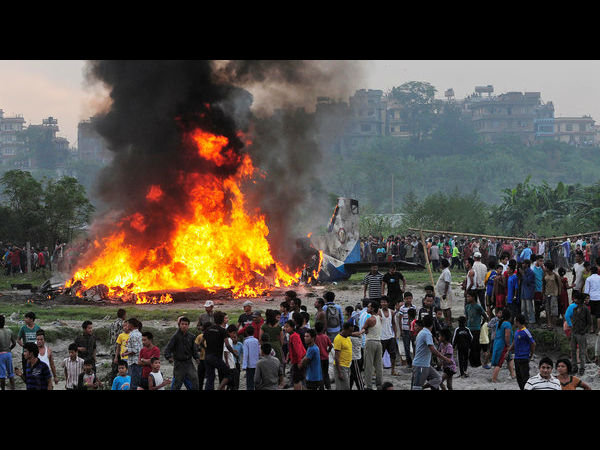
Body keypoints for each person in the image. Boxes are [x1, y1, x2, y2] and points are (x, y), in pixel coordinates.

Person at [411, 315, 452, 390]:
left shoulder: (423, 332)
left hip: (425, 364)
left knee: (438, 378)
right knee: (416, 387)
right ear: (432, 324)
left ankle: (423, 387)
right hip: (421, 365)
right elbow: (432, 349)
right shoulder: (426, 333)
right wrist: (445, 358)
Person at [164, 316, 200, 390]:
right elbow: (168, 348)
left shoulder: (191, 336)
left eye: (186, 324)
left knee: (195, 380)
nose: (184, 326)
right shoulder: (175, 337)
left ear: (188, 326)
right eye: (182, 324)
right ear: (179, 325)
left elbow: (194, 349)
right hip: (179, 363)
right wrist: (169, 357)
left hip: (189, 363)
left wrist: (196, 358)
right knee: (177, 383)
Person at [506, 313, 535, 390]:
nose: (514, 322)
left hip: (524, 357)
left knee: (525, 378)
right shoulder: (517, 330)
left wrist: (531, 354)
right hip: (517, 357)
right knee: (519, 378)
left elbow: (533, 343)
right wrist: (509, 350)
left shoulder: (525, 331)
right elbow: (514, 342)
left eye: (515, 321)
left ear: (518, 322)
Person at [359, 301, 384, 390]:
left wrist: (362, 332)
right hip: (378, 342)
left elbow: (363, 329)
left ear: (372, 309)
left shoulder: (370, 319)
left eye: (369, 307)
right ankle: (379, 384)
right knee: (378, 365)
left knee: (368, 365)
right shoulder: (379, 318)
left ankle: (368, 385)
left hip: (370, 342)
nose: (367, 308)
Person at [570, 291, 592, 375]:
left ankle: (582, 368)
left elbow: (589, 322)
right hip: (574, 332)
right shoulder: (575, 309)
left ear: (579, 300)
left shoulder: (586, 309)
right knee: (573, 351)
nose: (574, 300)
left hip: (581, 333)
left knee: (582, 351)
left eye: (576, 298)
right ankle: (574, 367)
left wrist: (584, 331)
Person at [465, 289, 488, 368]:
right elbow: (467, 317)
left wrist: (481, 324)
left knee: (476, 346)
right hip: (469, 329)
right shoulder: (467, 306)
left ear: (473, 297)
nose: (467, 298)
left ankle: (477, 362)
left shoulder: (478, 306)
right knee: (471, 346)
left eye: (468, 297)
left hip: (476, 329)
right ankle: (472, 362)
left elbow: (485, 316)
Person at [378, 296, 398, 375]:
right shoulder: (379, 312)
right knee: (380, 355)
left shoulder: (392, 312)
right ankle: (377, 371)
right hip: (381, 336)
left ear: (388, 303)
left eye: (384, 302)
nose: (383, 303)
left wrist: (395, 334)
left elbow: (393, 323)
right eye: (382, 302)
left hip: (390, 336)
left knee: (393, 354)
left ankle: (393, 370)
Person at [284, 319, 306, 390]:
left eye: (287, 327)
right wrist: (288, 356)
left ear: (293, 327)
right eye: (285, 327)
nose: (285, 329)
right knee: (300, 378)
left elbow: (298, 350)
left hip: (298, 360)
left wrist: (299, 361)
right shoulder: (293, 335)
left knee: (297, 379)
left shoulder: (294, 337)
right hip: (298, 359)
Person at [17, 311, 41, 376]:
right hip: (26, 354)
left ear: (31, 319)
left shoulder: (37, 328)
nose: (25, 319)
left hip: (35, 353)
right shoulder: (23, 328)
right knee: (26, 371)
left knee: (36, 371)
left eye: (26, 318)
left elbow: (40, 340)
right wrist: (24, 346)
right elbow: (18, 340)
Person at [121, 318, 142, 389]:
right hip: (138, 361)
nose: (126, 326)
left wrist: (125, 354)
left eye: (127, 324)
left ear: (131, 325)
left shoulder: (133, 335)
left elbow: (135, 350)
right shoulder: (139, 333)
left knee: (133, 384)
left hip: (134, 362)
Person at [108, 308, 126, 386]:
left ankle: (111, 383)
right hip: (120, 349)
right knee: (121, 367)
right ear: (124, 315)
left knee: (114, 367)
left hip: (112, 348)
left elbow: (109, 334)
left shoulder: (112, 323)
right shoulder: (123, 324)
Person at [333, 321, 353, 390]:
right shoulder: (338, 339)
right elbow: (336, 357)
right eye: (350, 331)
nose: (351, 333)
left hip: (347, 366)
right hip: (341, 366)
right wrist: (339, 372)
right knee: (345, 387)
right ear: (344, 329)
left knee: (342, 387)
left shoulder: (347, 337)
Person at [398, 291, 416, 367]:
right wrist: (401, 330)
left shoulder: (414, 307)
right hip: (405, 329)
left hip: (413, 329)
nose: (408, 300)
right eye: (407, 299)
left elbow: (415, 318)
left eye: (410, 298)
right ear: (404, 299)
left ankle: (415, 361)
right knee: (407, 346)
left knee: (415, 346)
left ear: (412, 298)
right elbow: (400, 319)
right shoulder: (402, 308)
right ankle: (409, 362)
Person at [542, 261, 562, 329]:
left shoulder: (555, 276)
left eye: (545, 267)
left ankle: (554, 325)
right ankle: (549, 324)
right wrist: (543, 294)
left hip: (554, 295)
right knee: (547, 310)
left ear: (548, 268)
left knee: (554, 311)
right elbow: (544, 285)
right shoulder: (545, 275)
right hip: (547, 294)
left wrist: (559, 294)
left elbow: (560, 285)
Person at [583, 257, 600, 334]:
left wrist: (586, 299)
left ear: (591, 272)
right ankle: (598, 330)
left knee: (592, 314)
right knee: (599, 315)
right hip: (599, 297)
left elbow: (586, 290)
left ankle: (592, 328)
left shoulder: (589, 279)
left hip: (592, 298)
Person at [314, 321, 332, 390]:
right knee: (326, 373)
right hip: (326, 358)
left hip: (319, 359)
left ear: (315, 329)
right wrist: (327, 352)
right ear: (322, 329)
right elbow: (330, 346)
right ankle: (328, 387)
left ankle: (322, 387)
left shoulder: (315, 338)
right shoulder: (325, 337)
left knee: (320, 374)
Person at [0, 314, 16, 390]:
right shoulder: (9, 331)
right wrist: (9, 349)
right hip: (8, 354)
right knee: (11, 373)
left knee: (2, 374)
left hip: (1, 355)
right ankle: (13, 388)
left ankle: (3, 389)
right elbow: (14, 343)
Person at [436, 259, 453, 326]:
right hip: (442, 293)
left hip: (446, 293)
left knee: (447, 307)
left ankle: (449, 321)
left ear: (442, 264)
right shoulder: (444, 272)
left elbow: (447, 283)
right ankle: (446, 320)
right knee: (444, 308)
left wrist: (445, 293)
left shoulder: (446, 272)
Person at [242, 325, 259, 390]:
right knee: (257, 380)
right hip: (256, 363)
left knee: (249, 381)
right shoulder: (256, 340)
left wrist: (244, 365)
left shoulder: (246, 341)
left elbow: (246, 354)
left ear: (246, 332)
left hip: (250, 365)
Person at [225, 324, 242, 390]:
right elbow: (225, 352)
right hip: (230, 365)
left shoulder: (239, 344)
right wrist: (226, 363)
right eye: (233, 333)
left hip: (235, 364)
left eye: (236, 334)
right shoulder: (228, 340)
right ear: (229, 332)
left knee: (234, 381)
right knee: (232, 381)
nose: (234, 336)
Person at [349, 324, 365, 390]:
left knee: (357, 376)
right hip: (358, 358)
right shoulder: (360, 336)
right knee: (353, 376)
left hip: (355, 359)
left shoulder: (351, 338)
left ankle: (361, 388)